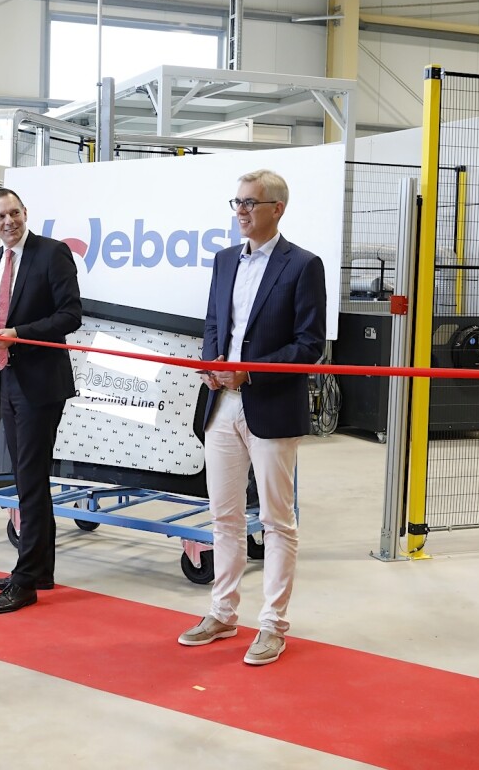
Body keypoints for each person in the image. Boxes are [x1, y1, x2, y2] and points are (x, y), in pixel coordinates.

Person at [177, 169, 325, 666]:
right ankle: (222, 612)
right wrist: (211, 363)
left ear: (277, 208)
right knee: (224, 516)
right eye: (236, 202)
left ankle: (273, 625)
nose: (240, 211)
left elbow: (310, 346)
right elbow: (216, 322)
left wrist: (250, 375)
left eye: (249, 203)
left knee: (277, 521)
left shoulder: (304, 265)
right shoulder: (224, 261)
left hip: (270, 406)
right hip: (221, 407)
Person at [0, 188, 82, 613]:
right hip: (7, 376)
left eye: (14, 213)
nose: (8, 221)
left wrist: (18, 334)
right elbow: (6, 312)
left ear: (25, 213)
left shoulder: (51, 254)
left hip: (40, 382)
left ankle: (26, 580)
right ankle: (41, 569)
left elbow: (71, 315)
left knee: (31, 480)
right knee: (25, 477)